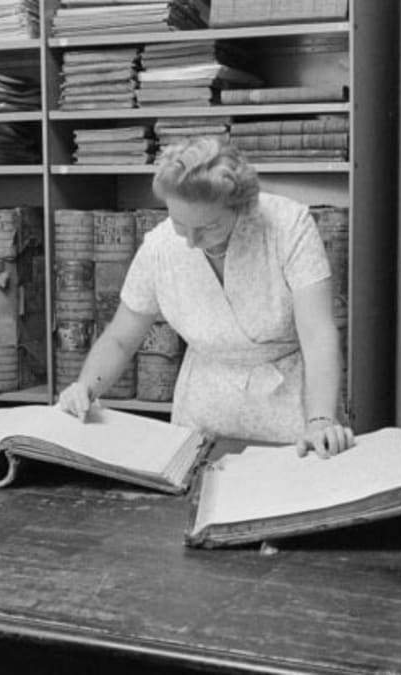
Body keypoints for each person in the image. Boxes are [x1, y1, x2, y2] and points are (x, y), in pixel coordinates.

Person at [58, 137, 355, 458]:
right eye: (179, 224)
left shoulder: (287, 225)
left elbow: (318, 335)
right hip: (202, 416)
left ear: (242, 207)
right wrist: (85, 388)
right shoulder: (159, 246)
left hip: (294, 415)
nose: (191, 241)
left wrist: (320, 421)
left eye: (209, 227)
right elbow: (120, 339)